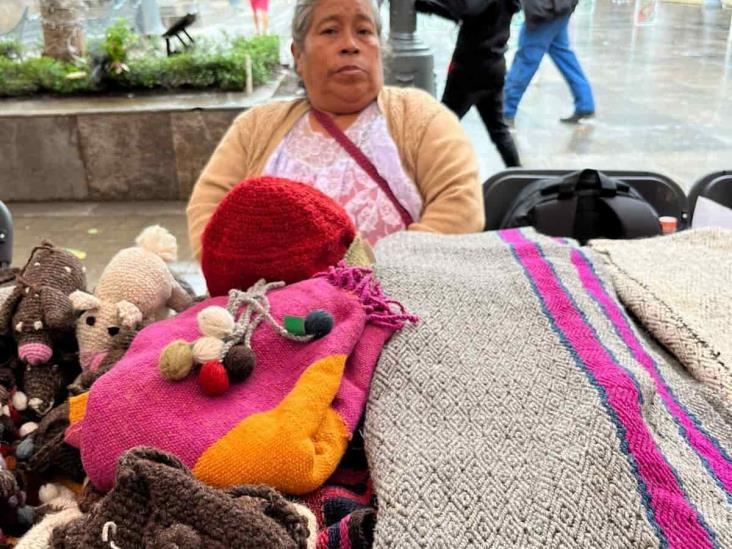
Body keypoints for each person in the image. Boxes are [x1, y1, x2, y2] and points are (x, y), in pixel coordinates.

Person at [187, 0, 484, 258]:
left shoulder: (421, 117)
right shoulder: (255, 128)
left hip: (396, 310)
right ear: (298, 55)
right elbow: (209, 212)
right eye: (330, 30)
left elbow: (460, 206)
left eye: (364, 31)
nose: (350, 45)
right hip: (274, 314)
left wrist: (371, 281)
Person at [418, 0, 521, 167]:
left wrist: (422, 4)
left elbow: (462, 8)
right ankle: (518, 173)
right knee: (499, 130)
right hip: (494, 65)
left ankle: (426, 175)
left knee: (440, 126)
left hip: (470, 69)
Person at [503, 0, 595, 125]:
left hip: (544, 12)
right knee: (563, 55)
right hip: (559, 8)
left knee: (525, 61)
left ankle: (506, 111)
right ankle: (585, 103)